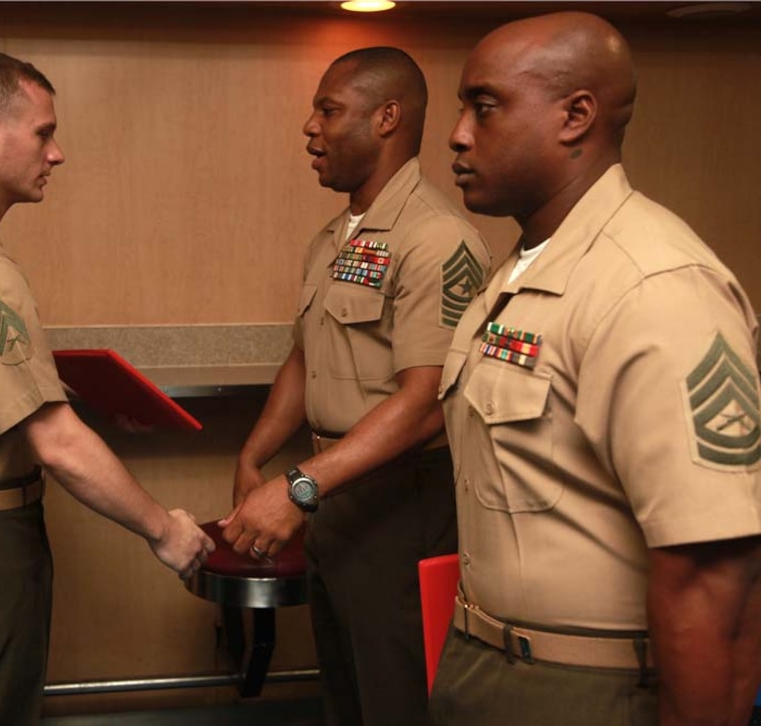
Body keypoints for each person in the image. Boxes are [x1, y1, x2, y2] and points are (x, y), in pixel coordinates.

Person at [431, 11, 761, 726]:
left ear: (575, 116)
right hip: (487, 664)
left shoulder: (652, 286)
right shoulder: (525, 268)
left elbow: (713, 578)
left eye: (484, 107)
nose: (457, 133)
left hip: (585, 690)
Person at [0, 50, 214, 725]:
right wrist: (163, 531)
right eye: (43, 132)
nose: (56, 153)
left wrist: (97, 401)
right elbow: (56, 443)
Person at [219, 47, 491, 725]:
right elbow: (304, 359)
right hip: (335, 497)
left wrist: (302, 485)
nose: (310, 127)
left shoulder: (435, 238)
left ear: (387, 118)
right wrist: (255, 458)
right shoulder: (337, 238)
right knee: (343, 695)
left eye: (329, 110)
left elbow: (427, 402)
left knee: (395, 697)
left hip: (401, 503)